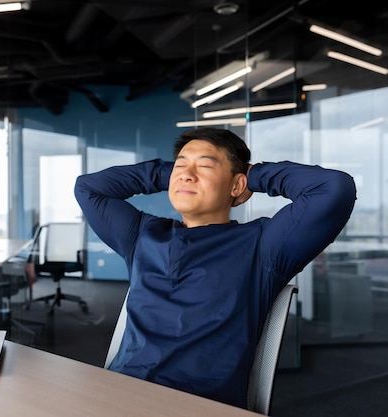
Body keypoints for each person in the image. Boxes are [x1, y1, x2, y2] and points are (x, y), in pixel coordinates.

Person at [74, 127, 356, 408]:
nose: (186, 173)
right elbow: (88, 187)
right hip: (120, 393)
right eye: (180, 165)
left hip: (198, 405)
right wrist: (170, 174)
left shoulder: (263, 246)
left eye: (205, 166)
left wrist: (252, 177)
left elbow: (333, 188)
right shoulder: (143, 234)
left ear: (236, 186)